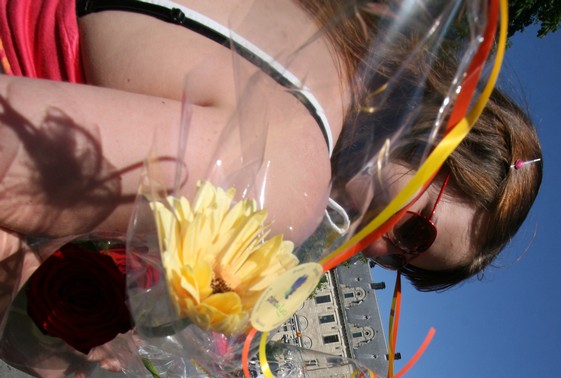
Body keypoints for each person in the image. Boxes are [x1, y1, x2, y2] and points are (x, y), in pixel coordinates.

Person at [0, 0, 543, 328]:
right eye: (415, 232)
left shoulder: (323, 27)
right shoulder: (288, 177)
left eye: (401, 264)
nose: (379, 251)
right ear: (438, 143)